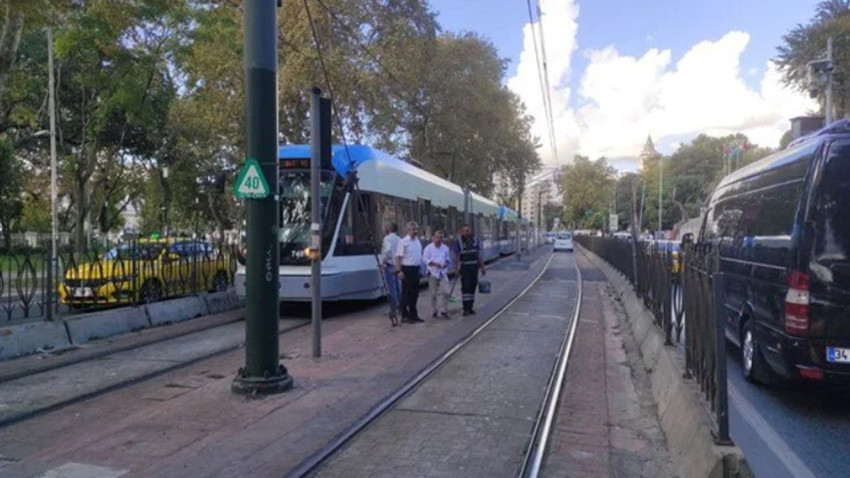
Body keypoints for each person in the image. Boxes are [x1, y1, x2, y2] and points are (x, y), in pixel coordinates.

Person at [452, 224, 486, 316]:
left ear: (470, 231)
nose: (466, 232)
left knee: (472, 287)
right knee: (465, 288)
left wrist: (482, 267)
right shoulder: (458, 242)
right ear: (461, 232)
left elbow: (479, 255)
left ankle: (470, 307)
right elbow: (456, 257)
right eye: (464, 231)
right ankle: (465, 308)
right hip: (465, 268)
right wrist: (456, 269)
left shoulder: (475, 240)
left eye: (467, 230)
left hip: (474, 268)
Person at [395, 221, 424, 323]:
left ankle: (413, 314)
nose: (415, 231)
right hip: (407, 269)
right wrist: (399, 271)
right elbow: (398, 257)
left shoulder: (417, 241)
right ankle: (404, 314)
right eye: (413, 229)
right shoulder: (403, 242)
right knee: (406, 293)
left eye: (416, 229)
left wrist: (420, 269)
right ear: (408, 230)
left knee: (415, 293)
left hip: (416, 269)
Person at [423, 230, 451, 319]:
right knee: (433, 294)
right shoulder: (428, 248)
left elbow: (448, 259)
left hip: (442, 272)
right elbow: (425, 259)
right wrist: (434, 264)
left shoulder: (445, 248)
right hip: (432, 272)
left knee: (446, 292)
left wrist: (446, 263)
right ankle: (434, 310)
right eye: (437, 237)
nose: (439, 239)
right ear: (433, 238)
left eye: (441, 238)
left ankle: (444, 310)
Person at [381, 223, 402, 321]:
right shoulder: (399, 239)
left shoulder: (387, 239)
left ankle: (394, 308)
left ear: (389, 228)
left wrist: (383, 261)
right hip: (397, 265)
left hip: (389, 265)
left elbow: (388, 250)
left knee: (391, 288)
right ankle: (401, 306)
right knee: (398, 287)